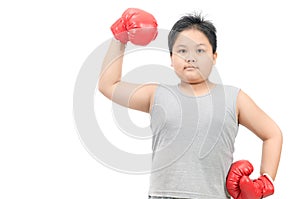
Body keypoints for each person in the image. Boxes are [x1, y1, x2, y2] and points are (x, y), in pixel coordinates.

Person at [98, 8, 283, 199]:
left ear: (214, 57)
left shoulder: (233, 97)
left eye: (200, 50)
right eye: (182, 50)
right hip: (163, 195)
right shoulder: (156, 94)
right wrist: (120, 38)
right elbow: (108, 85)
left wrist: (265, 181)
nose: (191, 57)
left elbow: (272, 134)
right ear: (171, 58)